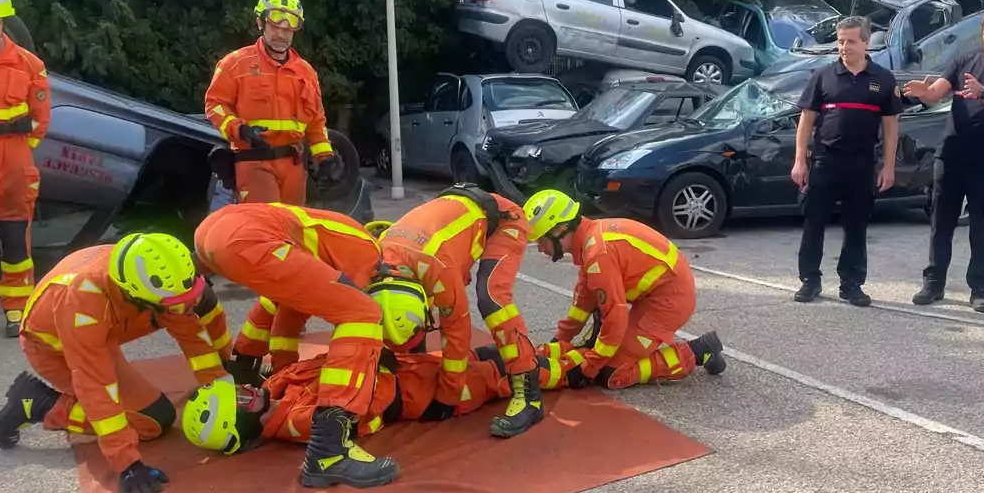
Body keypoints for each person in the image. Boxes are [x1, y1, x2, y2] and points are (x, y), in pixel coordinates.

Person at [0, 233, 232, 493]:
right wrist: (126, 463)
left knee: (186, 309)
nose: (181, 308)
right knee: (151, 422)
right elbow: (96, 385)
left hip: (107, 328)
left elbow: (189, 331)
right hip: (54, 350)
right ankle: (40, 405)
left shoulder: (146, 269)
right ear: (137, 294)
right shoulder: (83, 306)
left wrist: (221, 384)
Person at [193, 201, 398, 488]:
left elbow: (293, 304)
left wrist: (283, 370)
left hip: (213, 231)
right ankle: (329, 452)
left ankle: (243, 368)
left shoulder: (334, 236)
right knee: (362, 314)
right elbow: (349, 308)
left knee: (292, 293)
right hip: (244, 237)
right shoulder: (367, 252)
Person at [178, 344, 572, 459]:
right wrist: (374, 365)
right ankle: (579, 370)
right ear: (241, 426)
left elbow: (319, 362)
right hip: (427, 395)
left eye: (237, 389)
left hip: (414, 370)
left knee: (491, 353)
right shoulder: (300, 421)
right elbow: (367, 404)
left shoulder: (278, 388)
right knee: (506, 376)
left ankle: (562, 351)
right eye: (240, 400)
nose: (245, 390)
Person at [373, 184, 542, 439]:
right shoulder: (374, 266)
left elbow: (456, 329)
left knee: (492, 297)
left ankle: (528, 395)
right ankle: (492, 356)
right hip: (453, 223)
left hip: (500, 219)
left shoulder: (436, 266)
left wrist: (448, 396)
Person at [522, 189, 726, 390]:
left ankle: (699, 351)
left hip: (668, 300)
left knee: (612, 374)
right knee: (604, 351)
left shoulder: (598, 253)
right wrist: (560, 340)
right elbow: (584, 301)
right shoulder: (590, 242)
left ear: (562, 229)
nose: (540, 248)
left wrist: (588, 368)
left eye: (542, 239)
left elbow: (615, 317)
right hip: (656, 293)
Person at [902, 7, 984, 312]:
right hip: (950, 155)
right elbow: (936, 92)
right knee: (941, 223)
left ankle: (980, 289)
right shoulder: (965, 60)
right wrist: (924, 92)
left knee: (981, 226)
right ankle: (933, 284)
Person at [791, 16, 903, 307]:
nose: (844, 47)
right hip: (825, 161)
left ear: (866, 43)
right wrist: (799, 161)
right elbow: (806, 120)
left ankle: (851, 283)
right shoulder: (823, 76)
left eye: (851, 41)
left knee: (856, 225)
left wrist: (889, 167)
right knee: (814, 222)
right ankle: (810, 280)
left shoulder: (882, 79)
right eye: (840, 41)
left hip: (862, 164)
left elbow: (891, 128)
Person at [204, 0, 336, 205]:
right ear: (260, 23)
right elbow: (215, 104)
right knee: (267, 228)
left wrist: (325, 158)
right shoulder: (235, 64)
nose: (281, 35)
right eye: (275, 27)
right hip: (254, 161)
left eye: (288, 30)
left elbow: (316, 121)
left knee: (292, 230)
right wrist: (239, 129)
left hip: (293, 166)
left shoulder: (306, 73)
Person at [0, 0, 50, 336]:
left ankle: (17, 308)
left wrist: (20, 157)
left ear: (4, 24)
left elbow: (41, 119)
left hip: (13, 158)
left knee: (14, 239)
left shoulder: (29, 65)